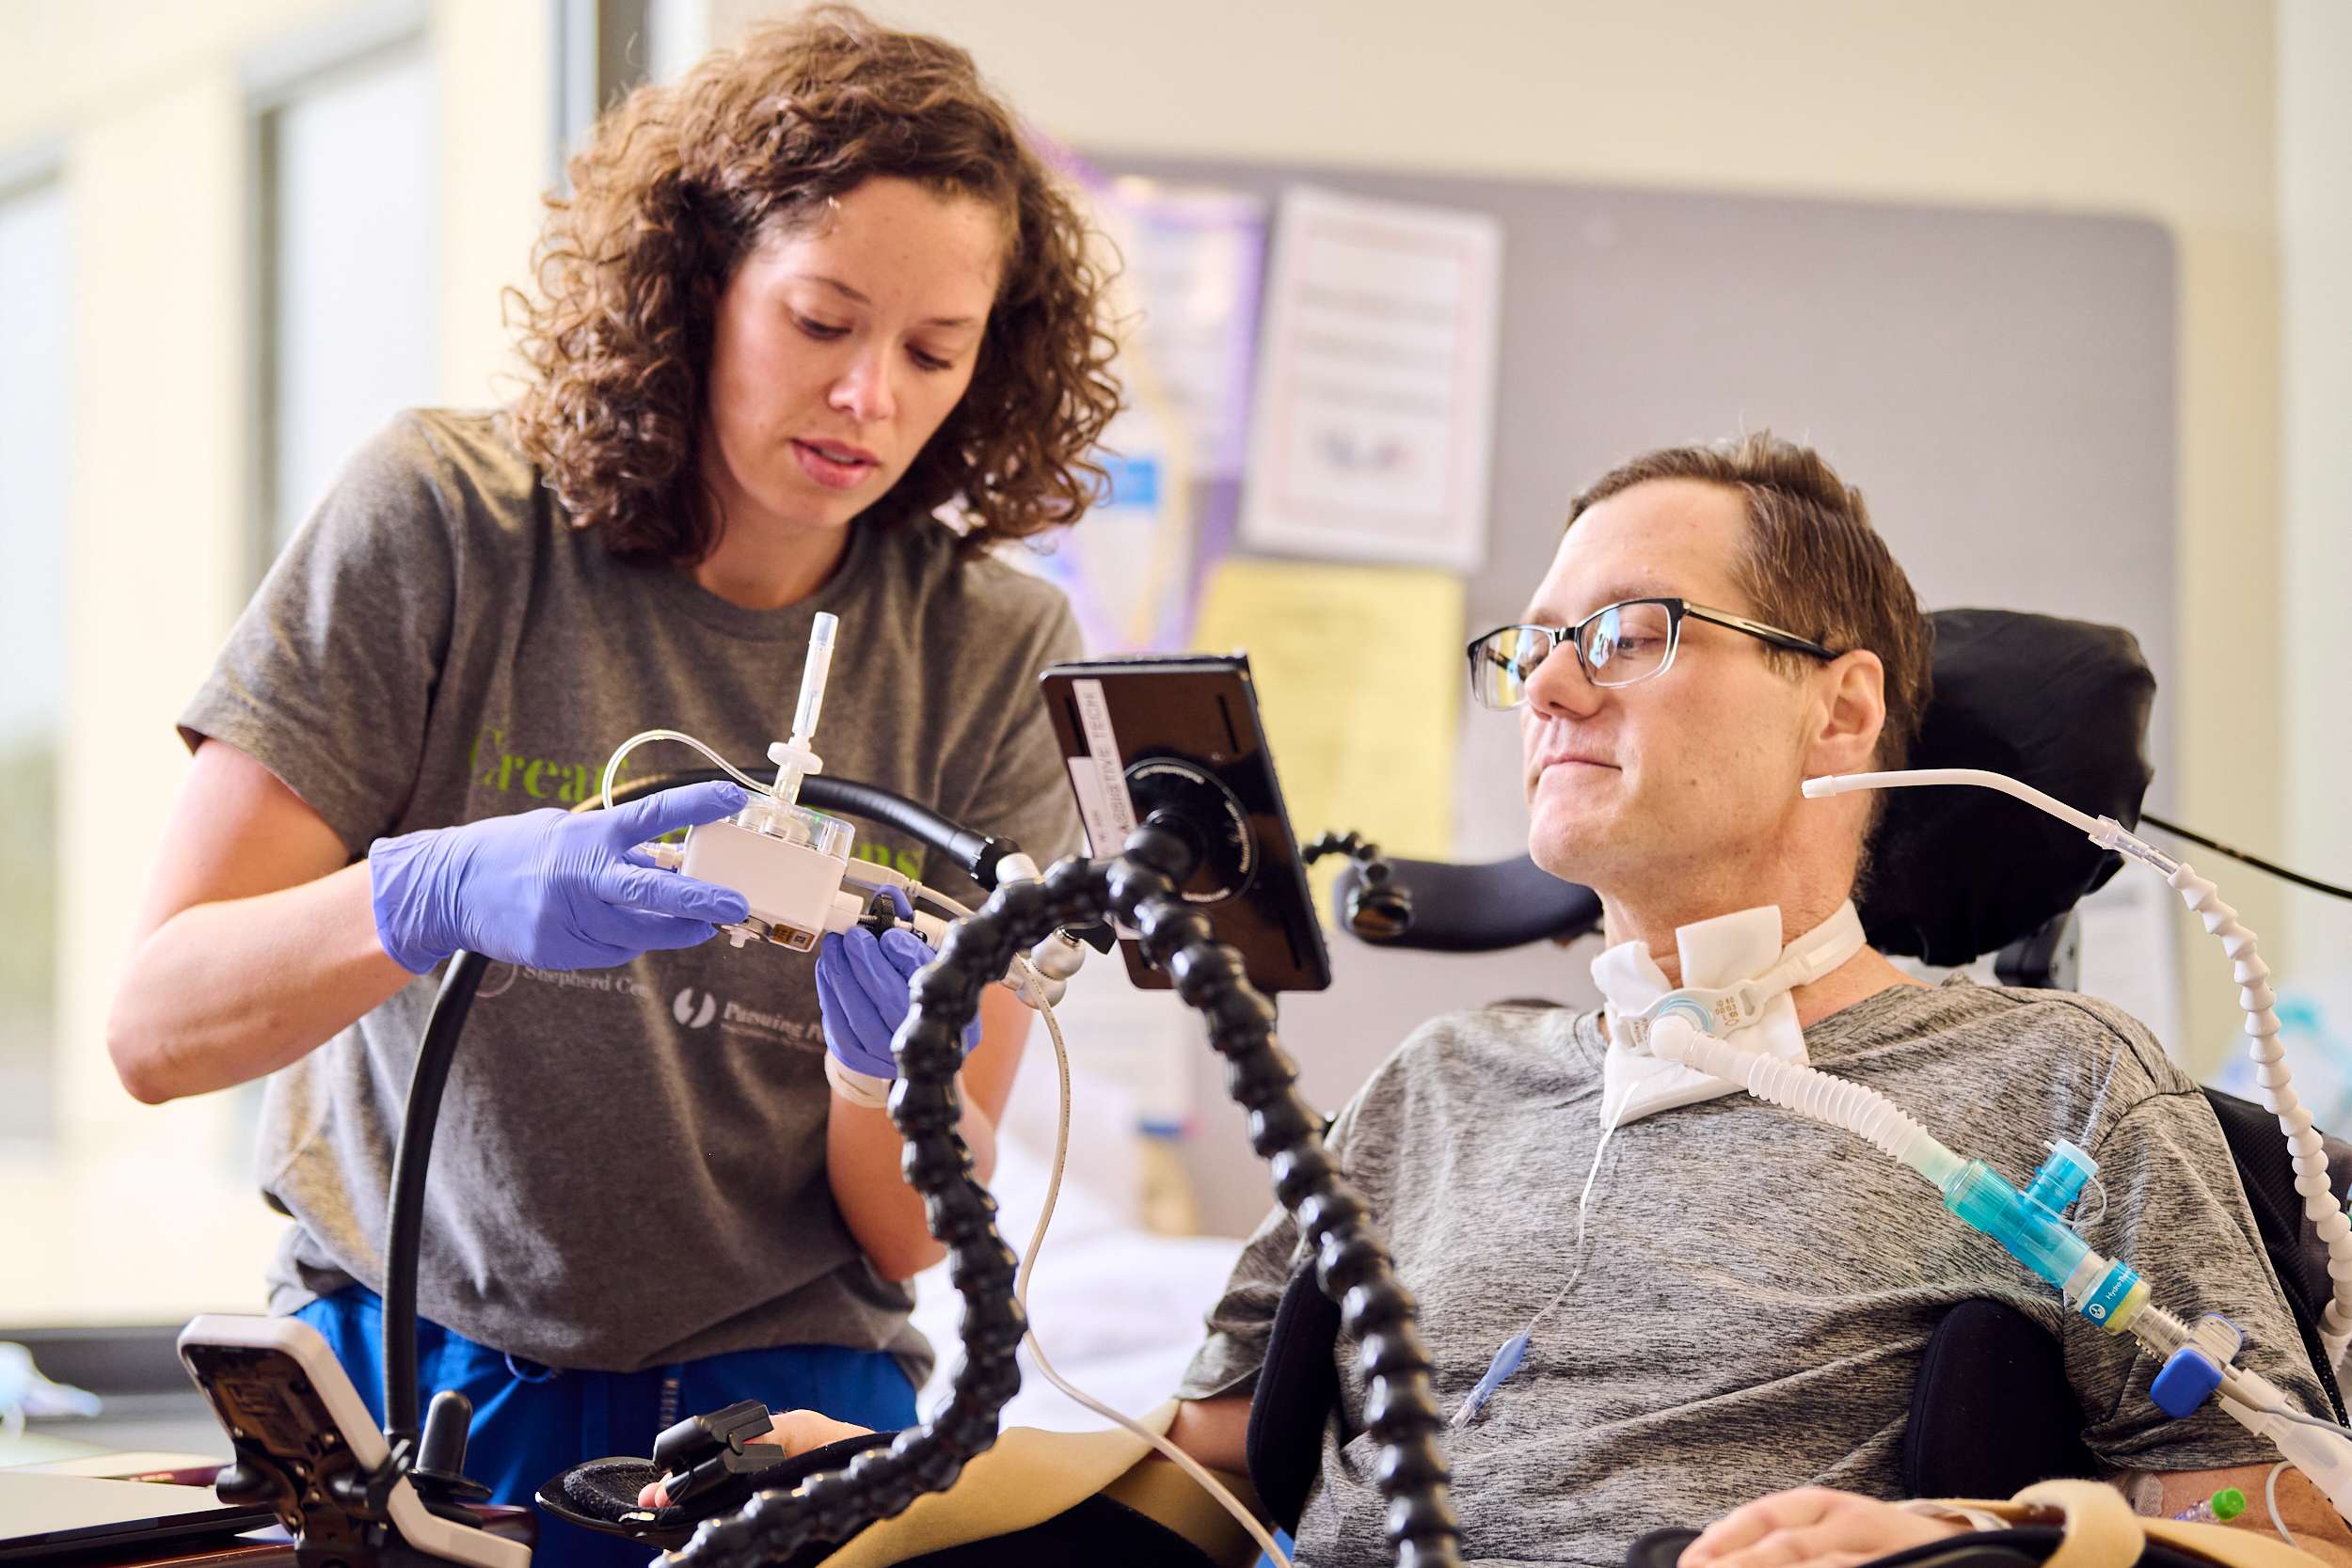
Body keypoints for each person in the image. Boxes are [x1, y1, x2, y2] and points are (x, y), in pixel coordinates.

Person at [704, 435, 2351, 1568]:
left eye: (1628, 633)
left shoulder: (2049, 1085)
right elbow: (1207, 1465)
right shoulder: (1436, 1086)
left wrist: (1983, 1536)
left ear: (1842, 710)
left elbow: (2294, 1518)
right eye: (1533, 646)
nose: (1548, 687)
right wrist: (898, 1470)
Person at [104, 8, 1118, 1562]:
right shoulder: (443, 523)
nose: (870, 399)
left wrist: (875, 1076)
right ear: (703, 281)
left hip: (775, 1404)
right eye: (821, 320)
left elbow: (915, 1225)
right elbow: (160, 1032)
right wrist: (431, 891)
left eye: (933, 350)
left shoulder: (987, 645)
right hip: (397, 1372)